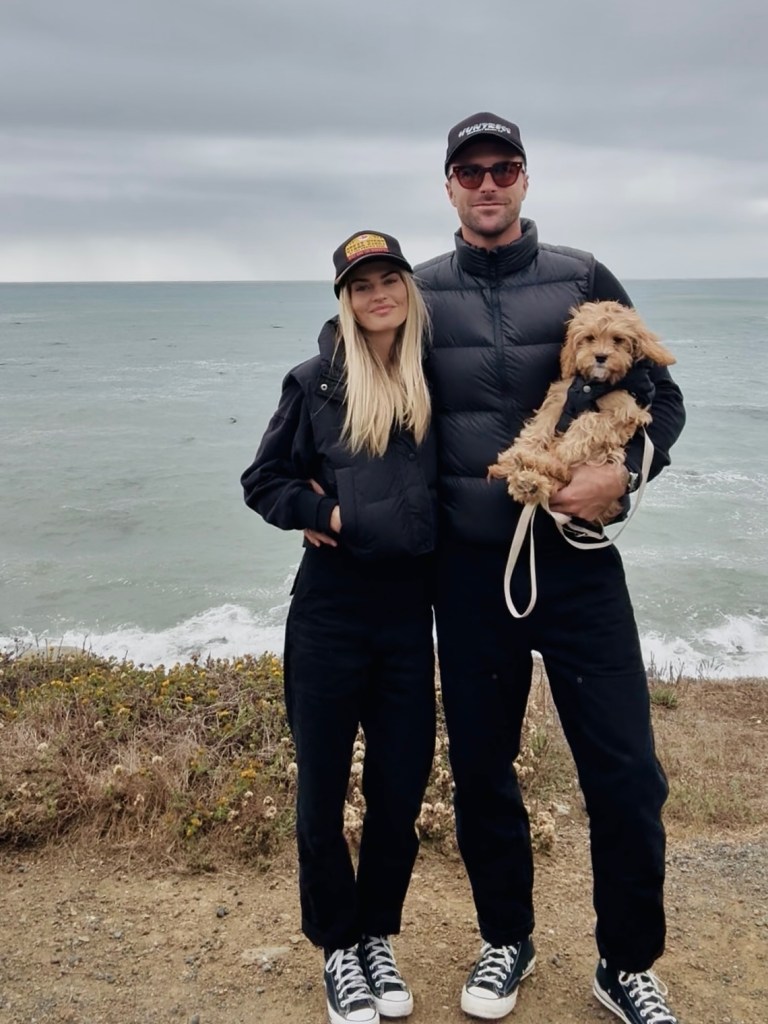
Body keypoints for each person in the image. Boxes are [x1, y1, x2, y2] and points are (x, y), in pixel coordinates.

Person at [415, 113, 686, 1023]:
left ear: (526, 179)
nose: (487, 184)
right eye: (470, 171)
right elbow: (365, 400)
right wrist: (316, 503)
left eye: (504, 168)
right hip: (470, 575)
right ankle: (506, 940)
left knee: (625, 770)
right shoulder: (417, 291)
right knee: (485, 771)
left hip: (577, 567)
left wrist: (629, 473)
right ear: (448, 184)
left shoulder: (582, 277)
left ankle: (627, 961)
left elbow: (662, 394)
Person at [241, 231, 436, 1024]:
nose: (378, 293)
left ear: (408, 291)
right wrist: (322, 511)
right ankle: (337, 949)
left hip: (407, 616)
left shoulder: (433, 379)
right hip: (327, 613)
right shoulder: (313, 383)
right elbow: (264, 480)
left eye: (390, 278)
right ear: (345, 301)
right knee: (321, 792)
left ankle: (377, 935)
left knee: (399, 790)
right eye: (362, 285)